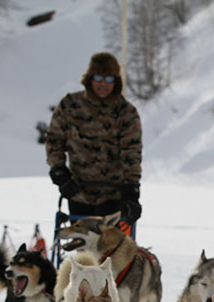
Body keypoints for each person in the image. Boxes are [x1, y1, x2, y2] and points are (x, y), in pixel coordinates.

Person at [45, 52, 142, 237]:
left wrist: (132, 192)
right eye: (98, 78)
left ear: (116, 81)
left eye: (109, 78)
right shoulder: (70, 105)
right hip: (78, 190)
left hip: (114, 195)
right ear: (90, 79)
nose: (103, 84)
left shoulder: (126, 113)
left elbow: (132, 153)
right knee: (85, 253)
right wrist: (60, 173)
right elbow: (54, 140)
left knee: (111, 254)